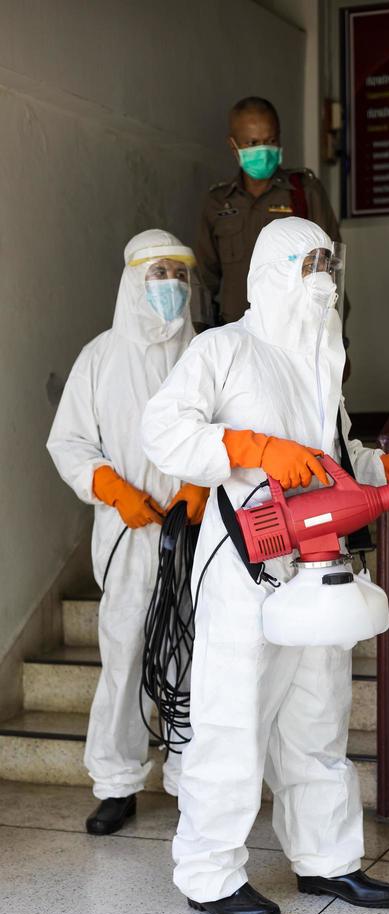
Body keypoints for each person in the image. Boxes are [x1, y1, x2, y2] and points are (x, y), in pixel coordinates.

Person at [141, 217, 389, 914]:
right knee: (232, 720)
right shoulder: (224, 348)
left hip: (314, 570)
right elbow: (163, 431)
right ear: (272, 272)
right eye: (308, 262)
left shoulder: (321, 359)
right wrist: (252, 446)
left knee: (316, 720)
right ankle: (209, 876)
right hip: (242, 569)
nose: (321, 277)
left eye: (328, 262)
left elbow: (337, 459)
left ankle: (326, 861)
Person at [47, 230, 210, 836]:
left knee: (195, 651)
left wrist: (201, 488)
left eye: (180, 274)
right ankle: (116, 783)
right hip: (129, 532)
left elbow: (232, 433)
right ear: (133, 282)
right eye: (159, 273)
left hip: (195, 531)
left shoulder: (209, 354)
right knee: (126, 653)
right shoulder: (99, 359)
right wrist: (113, 489)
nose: (171, 285)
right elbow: (68, 442)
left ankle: (190, 775)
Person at [196, 96, 342, 327]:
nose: (263, 151)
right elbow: (203, 279)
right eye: (252, 143)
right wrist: (203, 334)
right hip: (235, 332)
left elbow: (333, 266)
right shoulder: (219, 202)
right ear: (233, 146)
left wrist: (335, 337)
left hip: (294, 331)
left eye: (270, 140)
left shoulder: (304, 192)